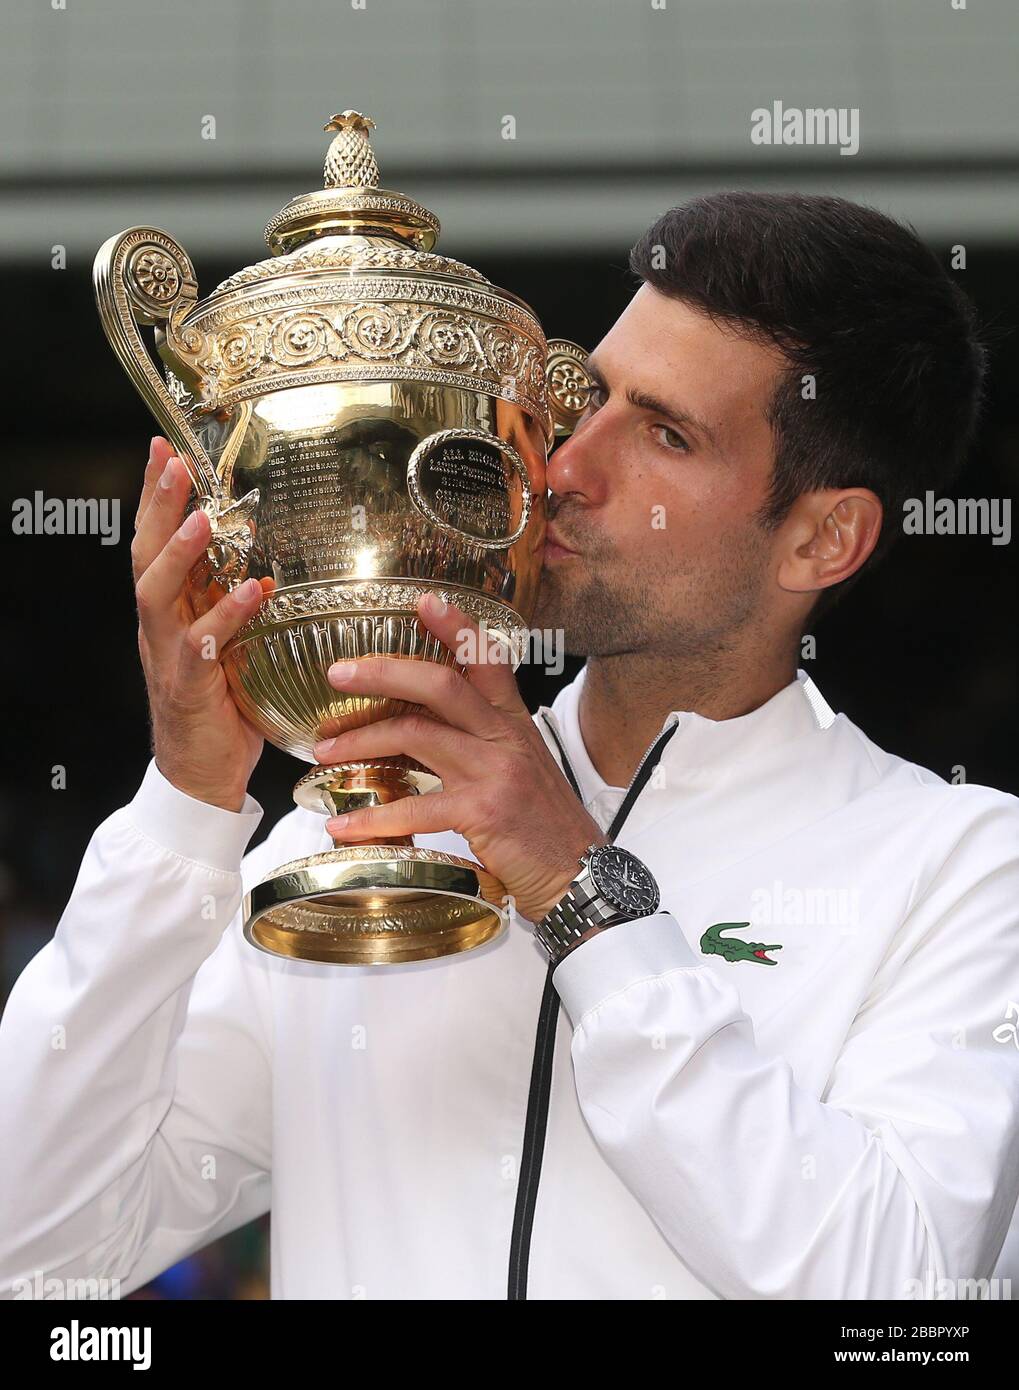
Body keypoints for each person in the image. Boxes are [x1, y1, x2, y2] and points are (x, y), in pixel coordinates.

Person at [2, 193, 1017, 1301]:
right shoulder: (368, 828)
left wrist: (584, 900)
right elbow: (38, 1254)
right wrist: (183, 807)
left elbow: (900, 1291)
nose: (568, 467)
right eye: (589, 401)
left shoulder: (959, 864)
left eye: (666, 434)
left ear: (824, 537)